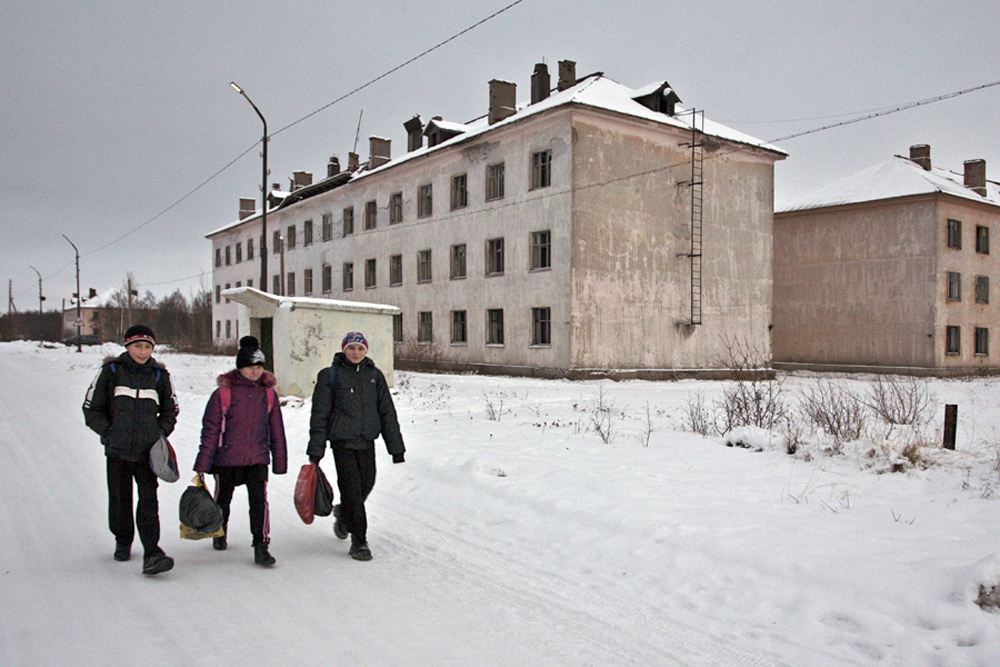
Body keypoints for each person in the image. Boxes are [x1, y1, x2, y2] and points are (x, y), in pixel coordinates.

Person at [83, 324, 179, 575]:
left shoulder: (160, 376)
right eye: (138, 346)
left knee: (149, 501)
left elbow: (171, 411)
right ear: (127, 346)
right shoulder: (111, 371)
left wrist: (159, 434)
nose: (143, 351)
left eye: (148, 346)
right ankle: (123, 540)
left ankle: (152, 552)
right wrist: (109, 432)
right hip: (117, 451)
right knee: (120, 499)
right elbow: (91, 409)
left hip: (148, 453)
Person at [308, 331, 405, 561]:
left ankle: (344, 514)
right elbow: (319, 415)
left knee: (366, 484)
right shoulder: (329, 376)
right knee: (352, 489)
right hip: (342, 443)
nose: (356, 352)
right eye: (351, 348)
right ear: (344, 349)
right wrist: (316, 449)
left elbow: (386, 413)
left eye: (360, 348)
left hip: (366, 442)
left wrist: (396, 447)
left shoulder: (374, 375)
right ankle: (359, 541)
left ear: (366, 351)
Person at [195, 336, 288, 566]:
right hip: (226, 458)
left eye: (259, 367)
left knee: (259, 503)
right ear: (240, 367)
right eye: (249, 367)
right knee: (223, 500)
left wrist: (279, 461)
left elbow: (276, 430)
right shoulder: (223, 394)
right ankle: (219, 531)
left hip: (256, 458)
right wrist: (203, 464)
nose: (255, 372)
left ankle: (261, 545)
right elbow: (211, 429)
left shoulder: (268, 394)